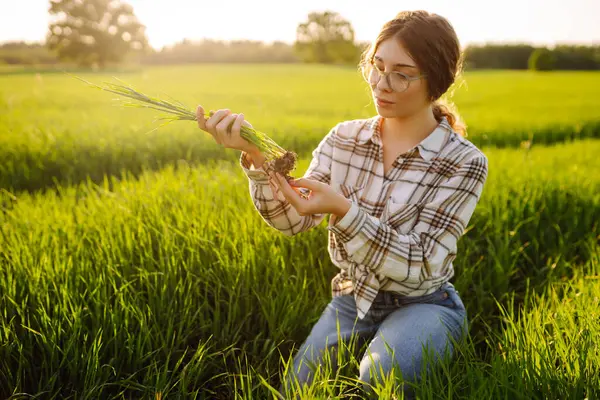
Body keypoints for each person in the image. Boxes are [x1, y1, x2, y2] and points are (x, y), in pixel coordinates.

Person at [196, 10, 488, 399]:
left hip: (424, 304)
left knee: (383, 379)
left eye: (401, 74)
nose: (381, 84)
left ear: (436, 81)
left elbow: (421, 264)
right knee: (297, 390)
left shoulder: (464, 161)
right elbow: (292, 222)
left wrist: (345, 213)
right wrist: (255, 158)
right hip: (353, 298)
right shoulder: (343, 139)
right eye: (377, 67)